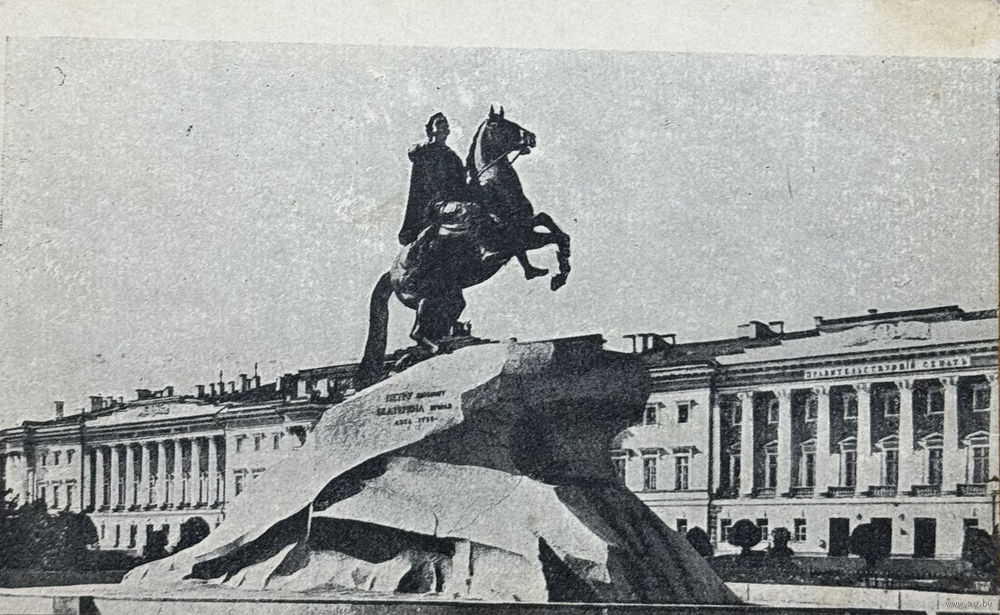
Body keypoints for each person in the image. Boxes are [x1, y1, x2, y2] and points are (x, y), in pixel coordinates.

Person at [398, 113, 468, 246]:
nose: (444, 128)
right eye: (439, 125)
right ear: (431, 130)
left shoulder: (452, 157)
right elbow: (414, 153)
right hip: (435, 205)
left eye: (445, 125)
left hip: (451, 202)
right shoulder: (425, 151)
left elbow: (461, 183)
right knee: (469, 210)